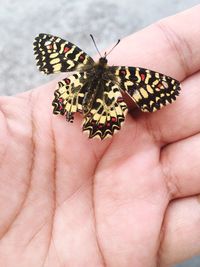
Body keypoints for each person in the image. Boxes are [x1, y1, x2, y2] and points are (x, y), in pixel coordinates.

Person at [0, 4, 200, 267]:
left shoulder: (85, 62)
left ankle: (74, 108)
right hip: (105, 100)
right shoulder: (125, 76)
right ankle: (90, 117)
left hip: (79, 87)